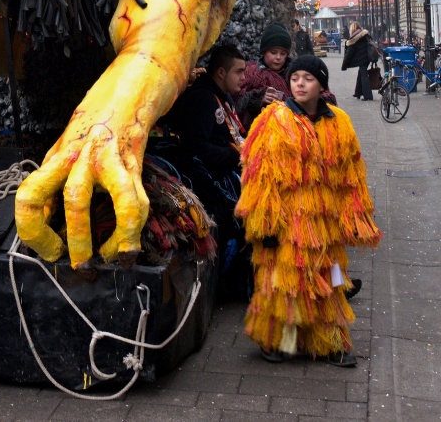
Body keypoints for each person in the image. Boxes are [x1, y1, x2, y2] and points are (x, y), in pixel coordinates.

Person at [235, 55, 380, 367]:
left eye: (308, 78)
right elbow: (258, 177)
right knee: (282, 285)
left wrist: (355, 219)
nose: (299, 83)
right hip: (285, 221)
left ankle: (330, 343)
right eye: (295, 77)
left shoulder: (339, 121)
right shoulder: (271, 120)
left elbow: (351, 174)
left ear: (322, 85)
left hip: (326, 223)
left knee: (330, 282)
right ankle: (279, 341)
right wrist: (263, 225)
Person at [162, 44, 248, 295]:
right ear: (221, 72)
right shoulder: (201, 99)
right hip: (212, 175)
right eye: (239, 72)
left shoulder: (222, 96)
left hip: (229, 166)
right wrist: (236, 155)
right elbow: (197, 148)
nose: (244, 78)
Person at [342, 21, 374, 101]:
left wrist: (344, 65)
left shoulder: (355, 38)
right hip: (367, 58)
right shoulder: (365, 34)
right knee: (361, 74)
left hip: (362, 59)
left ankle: (368, 96)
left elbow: (349, 53)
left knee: (364, 76)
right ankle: (358, 93)